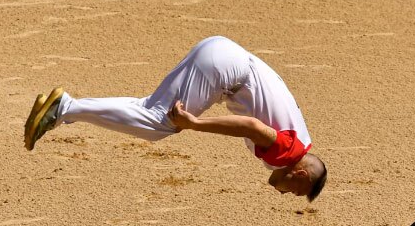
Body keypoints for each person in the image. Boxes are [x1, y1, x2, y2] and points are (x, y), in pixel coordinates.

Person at [23, 36, 327, 201]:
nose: (287, 194)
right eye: (295, 191)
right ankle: (64, 108)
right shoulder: (289, 153)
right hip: (225, 70)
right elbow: (252, 126)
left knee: (151, 111)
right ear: (300, 175)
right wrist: (194, 124)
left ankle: (65, 108)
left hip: (224, 56)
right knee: (161, 122)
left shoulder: (301, 138)